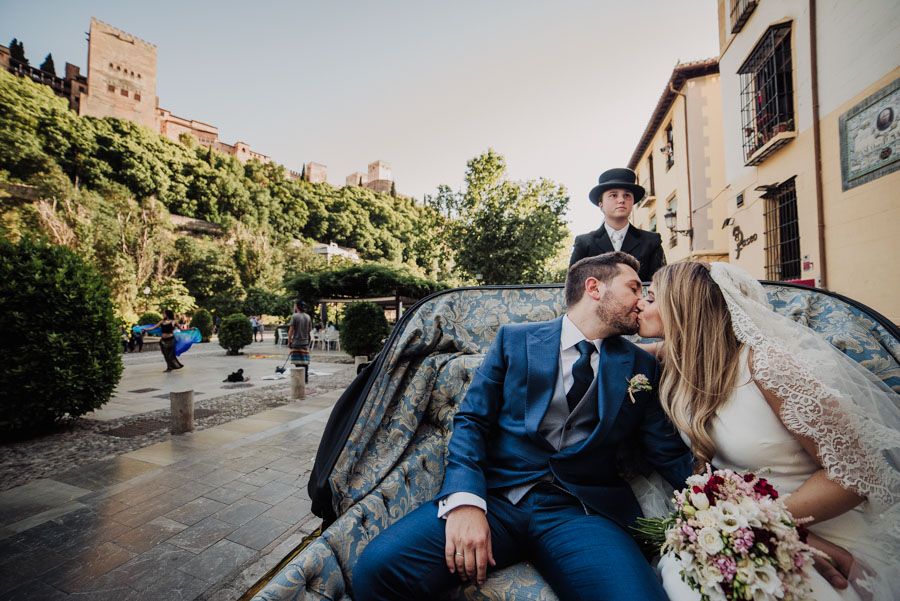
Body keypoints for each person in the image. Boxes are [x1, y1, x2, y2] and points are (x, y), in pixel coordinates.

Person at [353, 252, 692, 601]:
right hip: (499, 499)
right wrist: (465, 501)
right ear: (594, 288)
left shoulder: (641, 365)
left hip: (582, 512)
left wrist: (717, 493)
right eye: (634, 287)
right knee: (378, 569)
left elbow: (665, 449)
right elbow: (472, 421)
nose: (642, 300)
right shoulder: (514, 340)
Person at [636, 262, 900, 601]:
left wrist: (764, 525)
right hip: (744, 530)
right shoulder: (684, 361)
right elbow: (610, 353)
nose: (641, 303)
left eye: (652, 297)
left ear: (684, 307)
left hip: (826, 530)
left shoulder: (769, 366)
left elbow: (854, 476)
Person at [569, 167, 666, 282]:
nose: (621, 200)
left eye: (627, 195)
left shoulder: (651, 242)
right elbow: (573, 287)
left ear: (632, 202)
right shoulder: (585, 243)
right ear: (601, 205)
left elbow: (661, 286)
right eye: (613, 195)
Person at [288, 301, 312, 383]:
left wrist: (289, 342)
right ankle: (305, 378)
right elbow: (310, 330)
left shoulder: (294, 316)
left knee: (298, 362)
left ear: (297, 307)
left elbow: (291, 330)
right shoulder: (308, 317)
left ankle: (300, 379)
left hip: (296, 342)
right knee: (305, 361)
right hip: (305, 342)